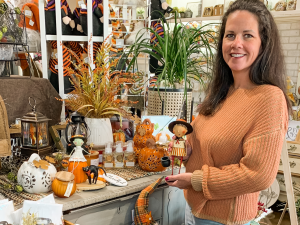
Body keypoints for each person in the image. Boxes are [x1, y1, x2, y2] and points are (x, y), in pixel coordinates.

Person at [165, 0, 291, 224]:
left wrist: (196, 180)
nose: (236, 43)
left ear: (264, 43)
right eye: (230, 35)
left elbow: (258, 174)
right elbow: (201, 143)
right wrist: (185, 149)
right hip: (193, 210)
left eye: (248, 35)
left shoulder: (269, 99)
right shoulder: (221, 91)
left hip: (225, 219)